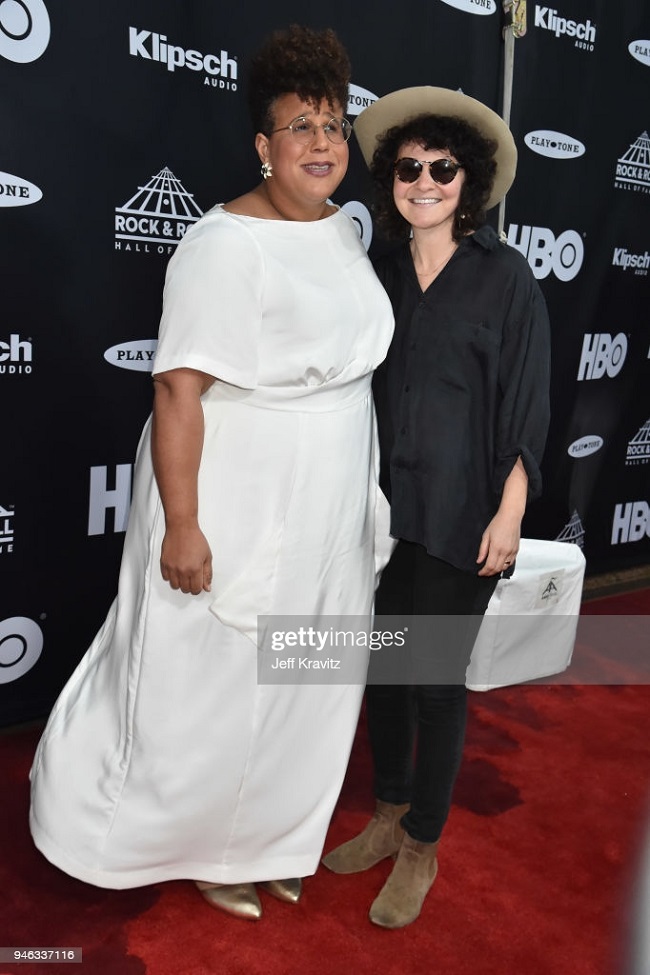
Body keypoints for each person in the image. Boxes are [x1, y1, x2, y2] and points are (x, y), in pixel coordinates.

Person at [29, 25, 394, 922]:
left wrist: (365, 499)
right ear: (263, 146)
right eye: (299, 127)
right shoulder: (223, 243)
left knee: (305, 676)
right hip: (240, 493)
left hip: (332, 493)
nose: (321, 143)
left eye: (334, 126)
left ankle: (271, 837)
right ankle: (191, 843)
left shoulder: (346, 236)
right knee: (212, 682)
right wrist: (183, 523)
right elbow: (178, 389)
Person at [322, 87, 551, 928]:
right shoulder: (373, 268)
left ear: (470, 178)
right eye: (410, 167)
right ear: (392, 177)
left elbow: (528, 405)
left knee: (434, 680)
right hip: (381, 511)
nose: (425, 181)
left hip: (465, 511)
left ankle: (422, 840)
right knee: (385, 668)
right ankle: (386, 813)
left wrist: (511, 511)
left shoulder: (506, 278)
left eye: (442, 167)